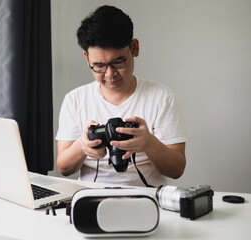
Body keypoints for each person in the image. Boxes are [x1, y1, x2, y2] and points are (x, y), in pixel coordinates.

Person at [55, 5, 187, 186]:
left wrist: (149, 143)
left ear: (134, 48)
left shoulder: (161, 97)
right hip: (90, 200)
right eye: (99, 66)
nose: (109, 74)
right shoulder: (75, 99)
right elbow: (64, 168)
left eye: (118, 62)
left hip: (146, 201)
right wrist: (82, 146)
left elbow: (177, 170)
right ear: (87, 58)